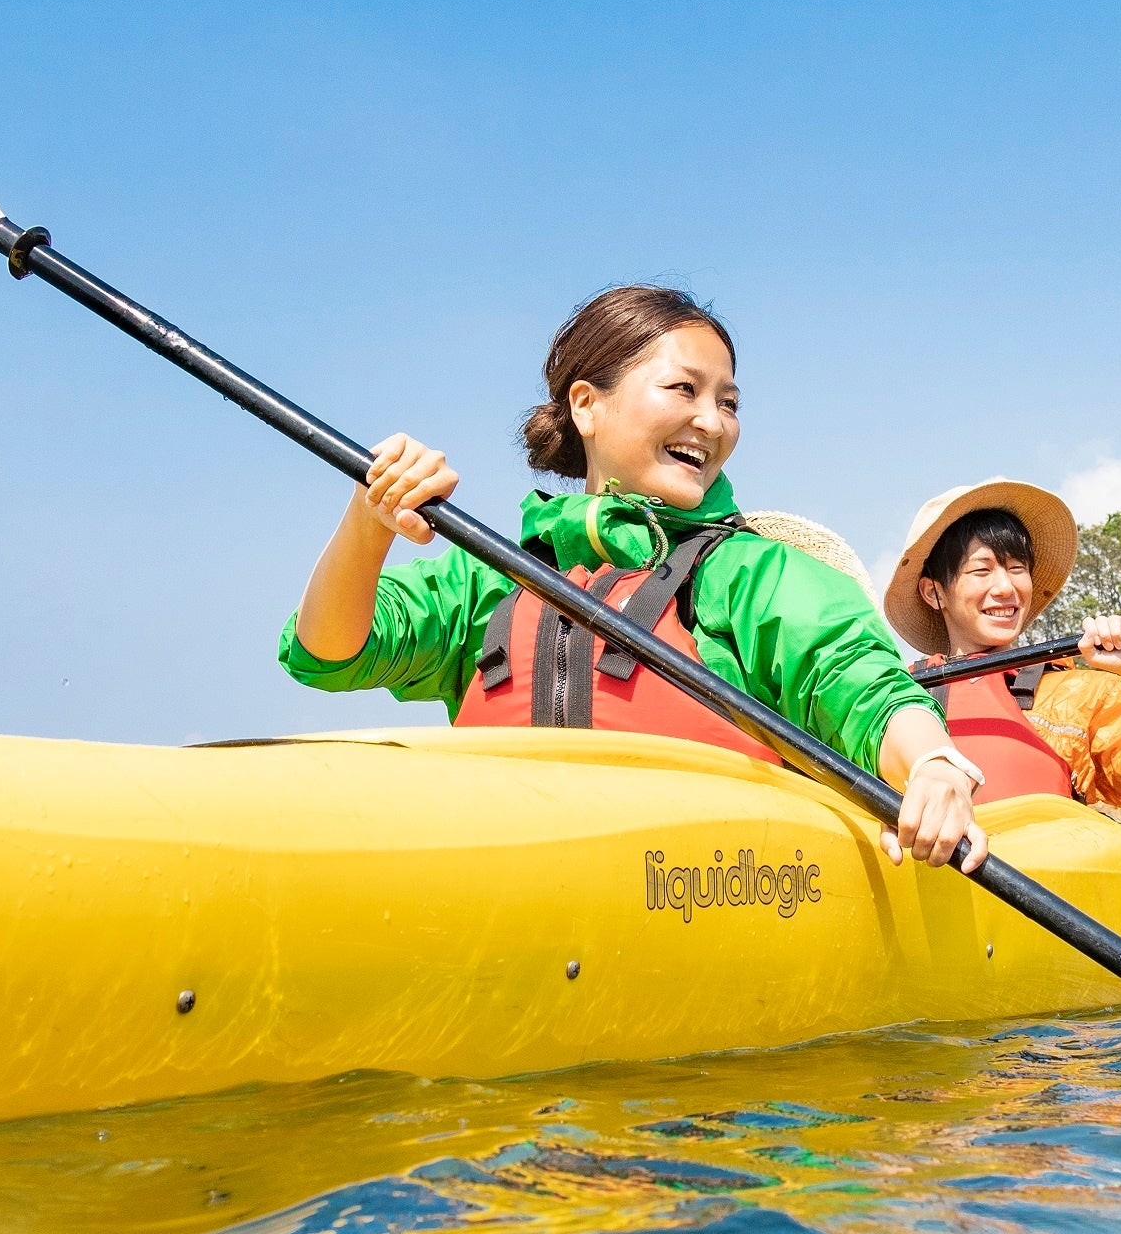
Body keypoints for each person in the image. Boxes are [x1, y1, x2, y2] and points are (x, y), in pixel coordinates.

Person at [282, 286, 991, 871]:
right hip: (504, 881)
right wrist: (368, 521)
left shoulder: (754, 572)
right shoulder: (492, 573)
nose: (712, 421)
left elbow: (858, 683)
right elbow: (328, 653)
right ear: (587, 405)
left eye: (730, 402)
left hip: (703, 891)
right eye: (684, 388)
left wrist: (932, 764)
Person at [882, 480, 1121, 827]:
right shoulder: (891, 696)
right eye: (982, 571)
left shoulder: (1077, 696)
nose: (1006, 587)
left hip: (1031, 889)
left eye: (1017, 569)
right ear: (934, 593)